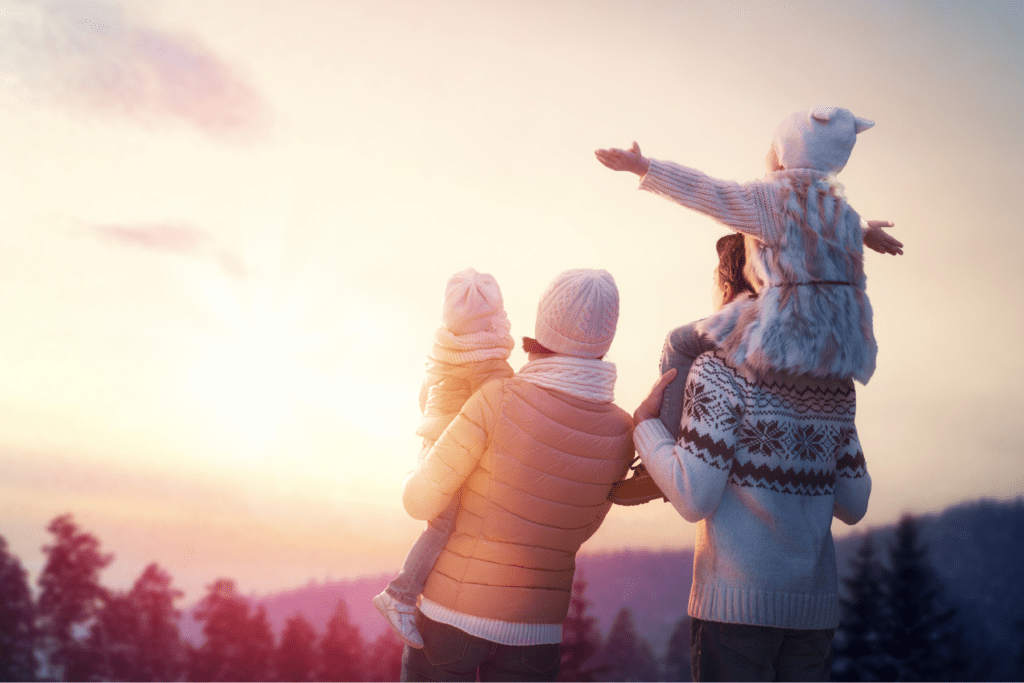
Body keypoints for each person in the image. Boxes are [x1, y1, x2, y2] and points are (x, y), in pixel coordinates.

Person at [598, 107, 896, 680]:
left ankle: (666, 427)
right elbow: (854, 504)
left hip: (737, 614)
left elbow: (693, 498)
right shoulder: (836, 388)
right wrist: (864, 235)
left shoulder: (724, 370)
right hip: (812, 617)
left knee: (683, 347)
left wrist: (646, 427)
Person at [400, 269, 634, 682]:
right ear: (606, 339)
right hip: (536, 633)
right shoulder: (622, 432)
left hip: (449, 617)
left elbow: (419, 500)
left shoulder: (497, 399)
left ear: (543, 323)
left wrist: (426, 445)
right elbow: (579, 528)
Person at [374, 268, 515, 649]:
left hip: (432, 444)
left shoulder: (444, 355)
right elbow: (503, 409)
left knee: (441, 525)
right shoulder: (489, 365)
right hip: (454, 454)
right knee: (443, 526)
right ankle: (400, 595)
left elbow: (425, 399)